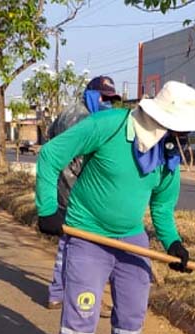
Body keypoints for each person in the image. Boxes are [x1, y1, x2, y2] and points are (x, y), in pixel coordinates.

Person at [36, 81, 195, 334]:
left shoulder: (168, 154)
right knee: (80, 320)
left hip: (132, 241)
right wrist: (47, 208)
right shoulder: (108, 125)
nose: (183, 135)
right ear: (159, 117)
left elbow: (161, 207)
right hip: (87, 236)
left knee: (131, 318)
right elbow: (50, 155)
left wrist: (174, 244)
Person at [46, 75, 122, 310]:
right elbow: (82, 160)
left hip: (62, 186)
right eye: (104, 98)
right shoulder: (84, 119)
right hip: (78, 190)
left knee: (67, 241)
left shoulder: (65, 113)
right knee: (84, 246)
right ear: (91, 94)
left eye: (111, 100)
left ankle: (57, 292)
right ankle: (83, 297)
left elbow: (50, 135)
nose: (107, 104)